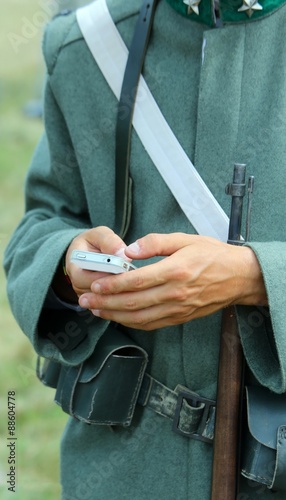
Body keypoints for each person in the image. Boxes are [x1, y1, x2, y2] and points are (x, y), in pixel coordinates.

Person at [4, 0, 286, 498]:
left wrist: (256, 277)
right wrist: (69, 263)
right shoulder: (86, 47)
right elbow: (40, 226)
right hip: (123, 467)